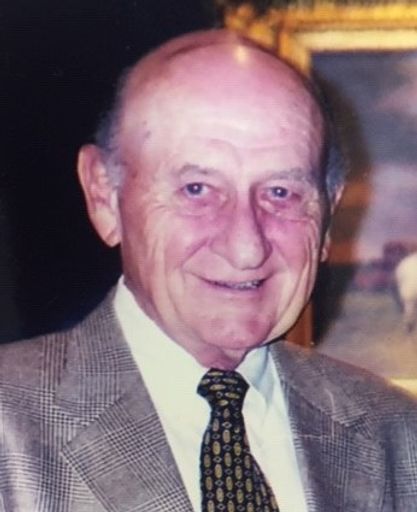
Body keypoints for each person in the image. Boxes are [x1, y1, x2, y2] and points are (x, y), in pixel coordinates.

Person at [1, 29, 417, 512]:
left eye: (281, 193)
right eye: (197, 189)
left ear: (327, 213)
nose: (246, 247)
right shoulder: (10, 429)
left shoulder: (398, 437)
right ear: (104, 196)